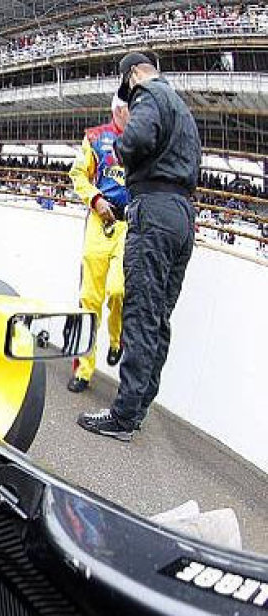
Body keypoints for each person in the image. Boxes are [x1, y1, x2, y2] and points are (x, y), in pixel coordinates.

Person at [78, 51, 201, 441]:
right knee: (159, 317)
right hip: (182, 215)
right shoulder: (181, 106)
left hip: (154, 211)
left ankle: (124, 415)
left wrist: (121, 149)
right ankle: (140, 404)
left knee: (141, 313)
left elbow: (137, 139)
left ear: (132, 75)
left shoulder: (148, 95)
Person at [67, 96, 131, 394]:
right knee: (89, 299)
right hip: (98, 221)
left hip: (128, 226)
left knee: (118, 290)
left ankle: (116, 339)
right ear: (119, 109)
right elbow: (77, 174)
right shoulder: (94, 136)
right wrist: (95, 199)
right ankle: (84, 369)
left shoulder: (143, 140)